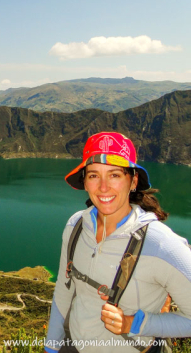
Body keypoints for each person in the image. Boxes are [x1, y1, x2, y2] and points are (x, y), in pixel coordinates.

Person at [45, 132, 191, 353]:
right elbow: (64, 291)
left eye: (114, 175)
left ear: (132, 181)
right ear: (85, 181)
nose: (103, 187)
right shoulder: (76, 226)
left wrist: (135, 324)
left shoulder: (161, 244)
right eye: (94, 175)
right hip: (73, 344)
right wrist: (52, 346)